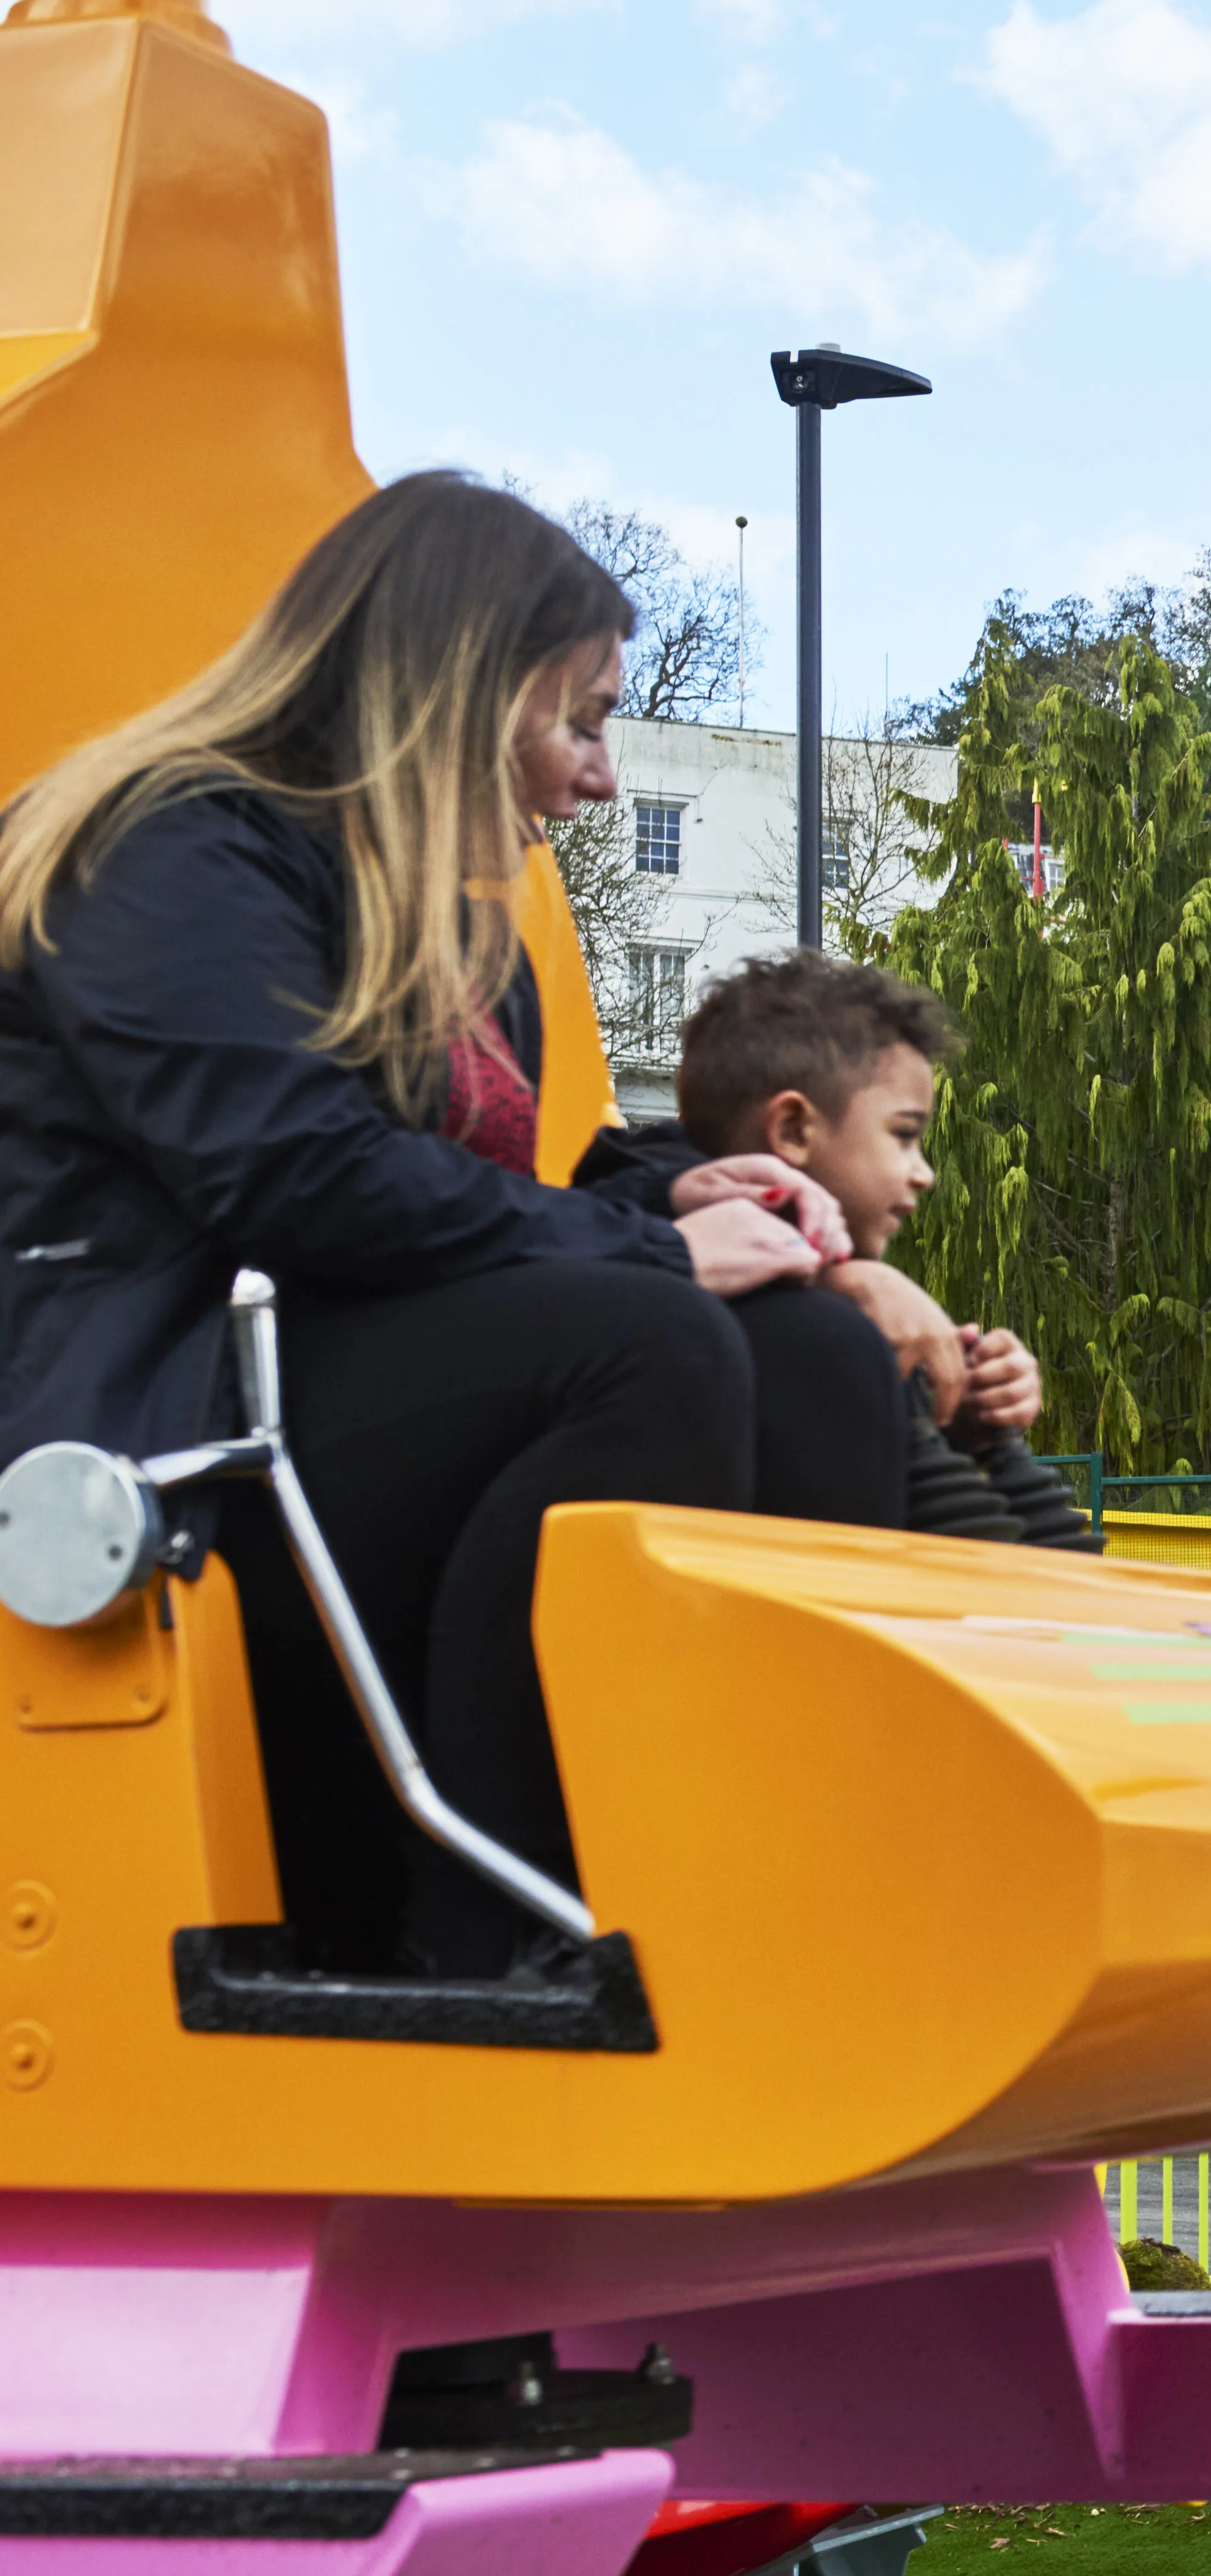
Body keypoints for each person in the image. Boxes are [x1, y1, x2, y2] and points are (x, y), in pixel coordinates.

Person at [0, 473, 897, 1984]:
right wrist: (651, 1257)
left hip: (315, 1377)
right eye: (582, 720)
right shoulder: (166, 850)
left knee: (806, 1346)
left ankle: (782, 1851)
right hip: (160, 1423)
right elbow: (293, 1179)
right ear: (455, 693)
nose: (598, 780)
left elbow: (461, 1213)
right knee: (645, 1341)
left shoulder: (453, 929)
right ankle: (498, 1925)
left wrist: (662, 1194)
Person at [619, 950, 1096, 1554]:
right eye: (903, 1136)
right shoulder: (790, 1329)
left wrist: (958, 1423)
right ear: (793, 1131)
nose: (923, 1174)